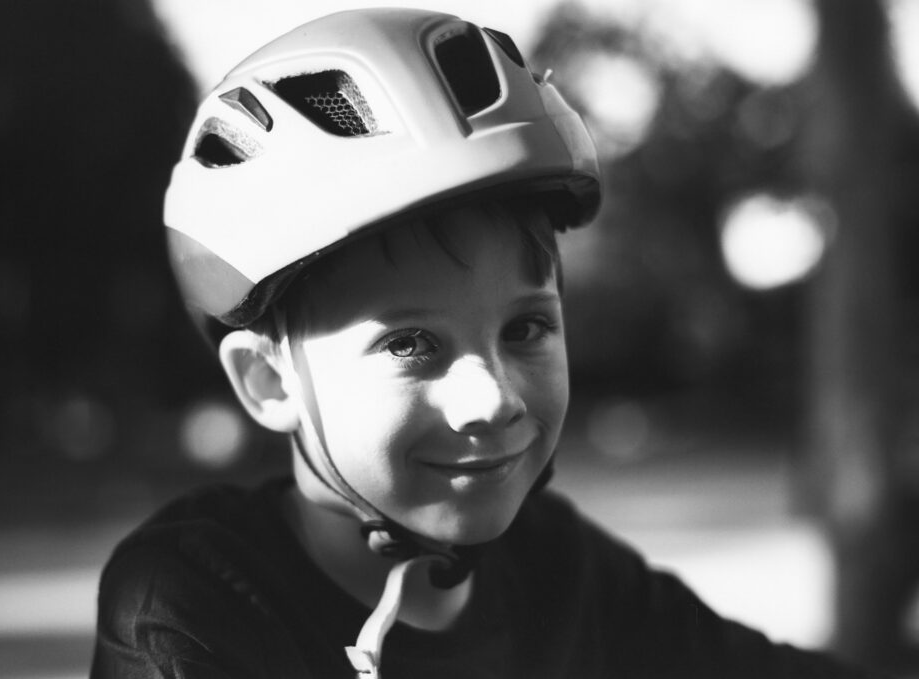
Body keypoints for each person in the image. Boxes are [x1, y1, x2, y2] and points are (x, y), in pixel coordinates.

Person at [91, 8, 885, 679]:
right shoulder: (191, 605)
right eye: (411, 344)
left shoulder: (564, 573)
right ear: (268, 381)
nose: (495, 395)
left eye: (527, 327)